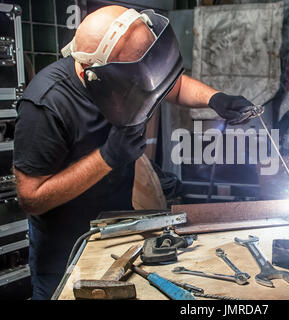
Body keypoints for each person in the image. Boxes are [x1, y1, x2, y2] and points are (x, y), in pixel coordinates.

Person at [13, 5, 259, 299]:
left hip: (118, 231)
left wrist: (214, 99)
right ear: (97, 74)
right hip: (65, 250)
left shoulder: (120, 74)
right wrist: (107, 157)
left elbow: (170, 85)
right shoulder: (46, 105)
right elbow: (31, 198)